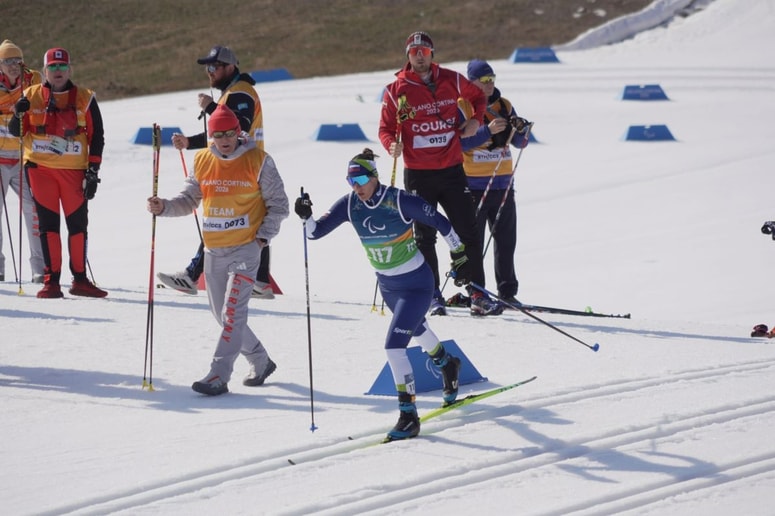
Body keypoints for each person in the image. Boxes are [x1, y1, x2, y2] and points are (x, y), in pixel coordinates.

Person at [294, 148, 472, 441]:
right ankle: (446, 363)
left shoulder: (399, 201)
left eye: (362, 179)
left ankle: (408, 415)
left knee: (393, 347)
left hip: (416, 284)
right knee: (418, 329)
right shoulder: (350, 205)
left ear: (374, 176)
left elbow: (440, 222)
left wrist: (459, 254)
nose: (357, 186)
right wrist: (306, 216)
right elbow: (314, 234)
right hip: (389, 287)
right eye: (351, 181)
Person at [147, 104, 288, 396]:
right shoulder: (202, 160)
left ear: (238, 132)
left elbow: (279, 206)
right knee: (221, 315)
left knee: (233, 313)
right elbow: (189, 200)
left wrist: (261, 239)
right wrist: (164, 207)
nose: (224, 139)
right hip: (213, 250)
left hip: (246, 250)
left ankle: (218, 375)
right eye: (217, 134)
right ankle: (260, 361)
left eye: (229, 133)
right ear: (210, 136)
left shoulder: (259, 160)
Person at [378, 31, 502, 317]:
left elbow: (478, 98)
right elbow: (385, 129)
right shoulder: (395, 89)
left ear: (432, 53)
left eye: (423, 51)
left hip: (451, 170)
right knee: (424, 237)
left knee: (468, 230)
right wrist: (390, 145)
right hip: (419, 174)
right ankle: (432, 296)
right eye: (413, 52)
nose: (419, 56)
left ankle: (477, 294)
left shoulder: (451, 78)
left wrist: (474, 120)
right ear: (408, 56)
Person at [157, 45, 275, 300]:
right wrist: (190, 141)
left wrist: (211, 107)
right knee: (241, 219)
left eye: (214, 67)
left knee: (220, 220)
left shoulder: (240, 93)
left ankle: (192, 275)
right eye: (207, 68)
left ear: (230, 67)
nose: (209, 73)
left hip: (243, 165)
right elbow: (221, 133)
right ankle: (260, 280)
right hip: (240, 163)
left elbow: (235, 130)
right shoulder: (233, 93)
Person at [10, 47, 106, 298]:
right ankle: (51, 281)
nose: (58, 71)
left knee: (77, 225)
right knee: (48, 225)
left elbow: (97, 137)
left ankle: (80, 280)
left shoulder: (86, 97)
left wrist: (93, 171)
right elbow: (17, 132)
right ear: (45, 71)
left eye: (62, 67)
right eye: (53, 67)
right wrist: (18, 113)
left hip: (74, 172)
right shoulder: (30, 95)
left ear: (69, 69)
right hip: (40, 170)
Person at [458, 59, 531, 305]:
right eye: (484, 80)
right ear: (471, 82)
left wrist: (521, 131)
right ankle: (475, 291)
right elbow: (458, 143)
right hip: (474, 186)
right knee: (473, 243)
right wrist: (486, 131)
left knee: (506, 242)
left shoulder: (505, 105)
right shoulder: (462, 106)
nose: (490, 84)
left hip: (502, 184)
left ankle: (508, 293)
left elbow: (520, 143)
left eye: (492, 79)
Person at [0, 40, 45, 283]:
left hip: (22, 158)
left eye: (17, 61)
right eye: (8, 61)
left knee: (34, 210)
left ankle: (40, 269)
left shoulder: (32, 79)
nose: (14, 66)